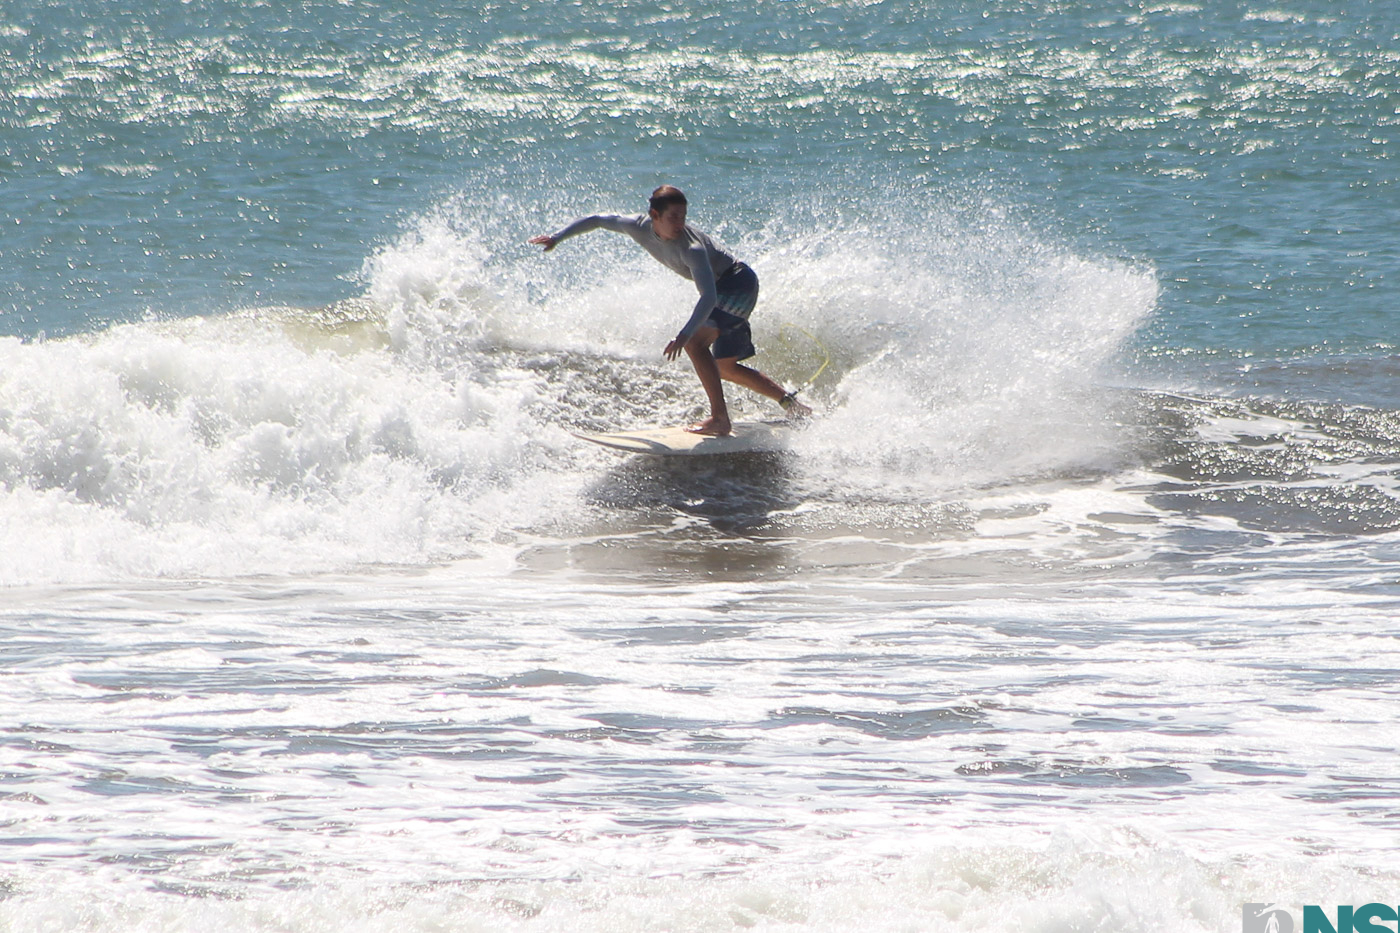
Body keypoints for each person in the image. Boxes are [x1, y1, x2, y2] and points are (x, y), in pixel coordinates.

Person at [529, 185, 811, 437]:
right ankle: (792, 404)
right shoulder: (636, 226)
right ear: (654, 215)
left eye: (683, 216)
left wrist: (685, 335)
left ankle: (720, 420)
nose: (680, 223)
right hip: (729, 287)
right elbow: (599, 220)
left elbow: (709, 296)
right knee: (724, 367)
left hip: (737, 284)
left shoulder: (692, 248)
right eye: (673, 217)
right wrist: (558, 236)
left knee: (696, 345)